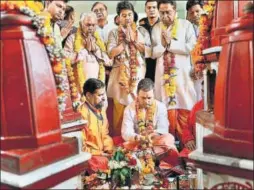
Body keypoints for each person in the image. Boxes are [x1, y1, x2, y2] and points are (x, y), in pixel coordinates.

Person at [151, 0, 197, 146]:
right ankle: (167, 145)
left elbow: (192, 47)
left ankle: (187, 144)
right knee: (164, 105)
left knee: (185, 101)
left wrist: (171, 44)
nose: (165, 16)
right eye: (162, 12)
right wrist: (163, 46)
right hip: (163, 75)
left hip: (182, 75)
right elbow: (152, 52)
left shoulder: (186, 25)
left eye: (168, 12)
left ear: (175, 11)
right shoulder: (156, 28)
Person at [107, 1, 146, 136]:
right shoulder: (113, 33)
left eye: (129, 14)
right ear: (118, 18)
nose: (127, 18)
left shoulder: (139, 31)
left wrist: (133, 40)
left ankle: (136, 137)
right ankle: (118, 139)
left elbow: (145, 50)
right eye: (124, 15)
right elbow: (111, 53)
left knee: (136, 106)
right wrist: (125, 42)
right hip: (120, 75)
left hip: (136, 73)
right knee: (119, 107)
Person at [122, 78, 180, 167]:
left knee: (168, 138)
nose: (146, 101)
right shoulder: (129, 109)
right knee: (123, 147)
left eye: (149, 98)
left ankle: (151, 157)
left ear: (154, 95)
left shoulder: (160, 107)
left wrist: (152, 134)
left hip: (155, 142)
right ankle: (144, 157)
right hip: (137, 143)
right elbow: (125, 132)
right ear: (137, 95)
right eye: (143, 98)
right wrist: (137, 137)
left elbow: (164, 128)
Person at [64, 12, 111, 94]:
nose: (91, 28)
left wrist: (96, 50)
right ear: (81, 24)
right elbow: (65, 59)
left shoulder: (99, 40)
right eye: (88, 25)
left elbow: (109, 62)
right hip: (78, 87)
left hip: (98, 88)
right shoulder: (72, 39)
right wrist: (84, 50)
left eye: (93, 25)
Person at [78, 78, 113, 172]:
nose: (104, 98)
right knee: (103, 163)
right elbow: (81, 146)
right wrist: (100, 154)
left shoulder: (101, 110)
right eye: (100, 95)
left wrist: (109, 150)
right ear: (88, 95)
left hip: (102, 153)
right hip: (90, 156)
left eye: (104, 94)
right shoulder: (82, 115)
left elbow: (105, 134)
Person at [186, 0, 204, 102]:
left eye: (197, 11)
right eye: (192, 13)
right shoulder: (188, 29)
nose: (195, 15)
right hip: (193, 70)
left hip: (207, 67)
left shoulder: (210, 25)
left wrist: (200, 66)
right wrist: (193, 67)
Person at [138, 0, 160, 82]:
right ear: (145, 10)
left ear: (158, 9)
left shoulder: (164, 26)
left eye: (154, 7)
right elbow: (139, 47)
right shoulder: (140, 29)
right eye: (149, 7)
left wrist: (146, 49)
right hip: (144, 64)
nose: (151, 10)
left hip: (160, 63)